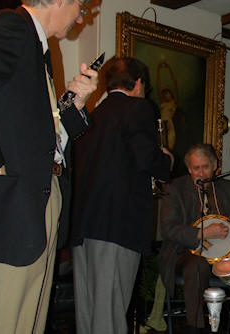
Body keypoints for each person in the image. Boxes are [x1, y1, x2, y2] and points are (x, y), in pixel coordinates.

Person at [0, 0, 99, 334]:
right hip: (15, 205)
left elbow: (44, 136)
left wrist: (74, 104)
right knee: (3, 323)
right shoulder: (11, 29)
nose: (82, 17)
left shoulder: (38, 48)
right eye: (81, 5)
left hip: (37, 204)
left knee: (27, 323)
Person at [71, 57, 174, 334]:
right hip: (117, 226)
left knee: (89, 313)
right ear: (139, 83)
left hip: (83, 227)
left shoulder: (92, 115)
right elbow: (145, 158)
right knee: (110, 313)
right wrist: (166, 161)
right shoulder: (138, 108)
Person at [158, 144, 230, 333]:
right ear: (189, 169)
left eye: (205, 167)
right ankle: (195, 328)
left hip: (227, 257)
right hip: (185, 253)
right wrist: (201, 233)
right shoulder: (175, 189)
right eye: (196, 168)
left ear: (215, 167)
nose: (202, 173)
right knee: (198, 265)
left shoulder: (229, 188)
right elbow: (168, 229)